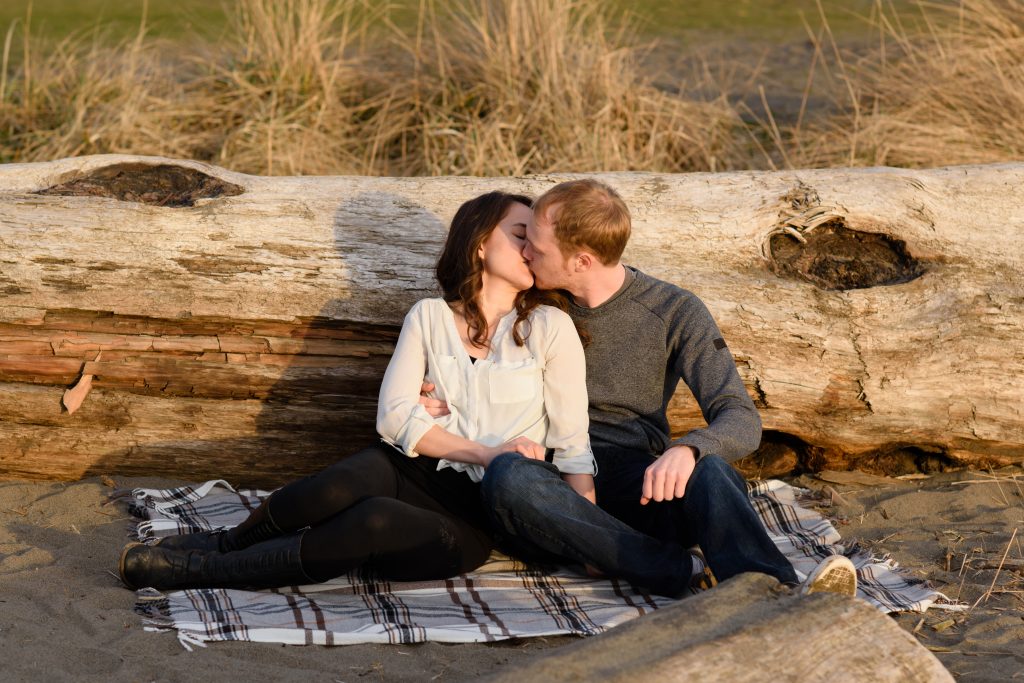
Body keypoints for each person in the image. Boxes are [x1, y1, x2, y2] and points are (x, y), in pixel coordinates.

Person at [117, 191, 616, 591]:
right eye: (520, 235)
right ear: (480, 243)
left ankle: (207, 573)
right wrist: (485, 450)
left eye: (534, 241)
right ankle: (226, 545)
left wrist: (590, 540)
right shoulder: (429, 317)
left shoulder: (550, 326)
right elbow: (393, 419)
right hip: (415, 471)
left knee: (372, 519)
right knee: (336, 485)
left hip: (478, 514)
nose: (531, 250)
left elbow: (573, 444)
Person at [425, 179, 857, 597]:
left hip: (640, 483)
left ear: (582, 261)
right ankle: (667, 567)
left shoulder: (673, 311)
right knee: (509, 476)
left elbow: (741, 418)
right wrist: (438, 392)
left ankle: (774, 591)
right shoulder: (531, 302)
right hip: (551, 489)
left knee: (710, 471)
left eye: (536, 247)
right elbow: (467, 340)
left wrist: (688, 450)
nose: (525, 253)